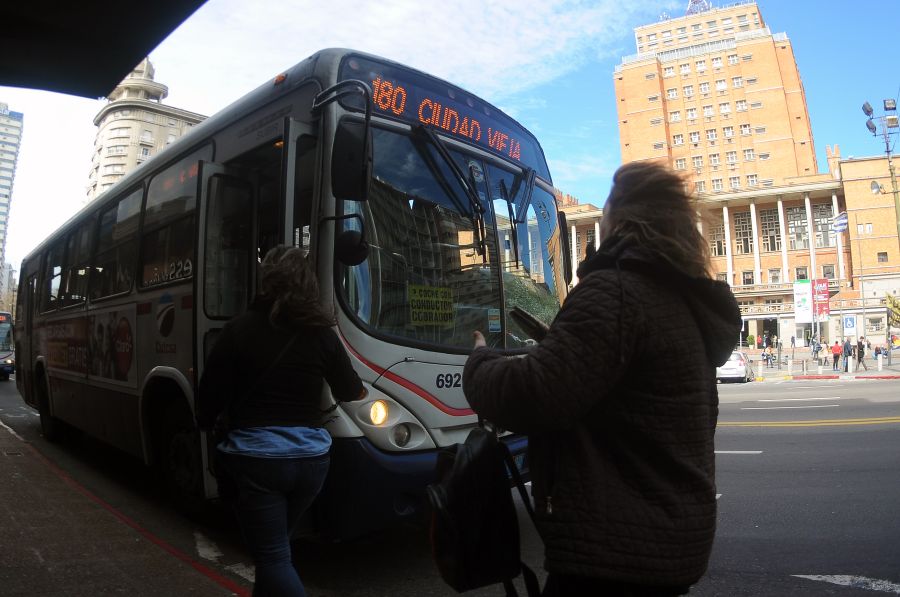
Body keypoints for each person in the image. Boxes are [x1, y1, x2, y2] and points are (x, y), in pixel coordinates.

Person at [463, 162, 741, 596]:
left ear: (621, 217)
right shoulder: (678, 298)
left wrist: (479, 362)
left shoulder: (618, 291)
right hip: (667, 535)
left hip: (617, 549)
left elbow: (537, 393)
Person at [197, 245, 366, 597]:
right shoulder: (323, 334)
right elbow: (350, 390)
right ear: (308, 283)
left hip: (258, 462)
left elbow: (207, 402)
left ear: (266, 281)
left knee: (273, 557)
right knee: (274, 552)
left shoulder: (238, 330)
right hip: (312, 464)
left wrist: (208, 424)